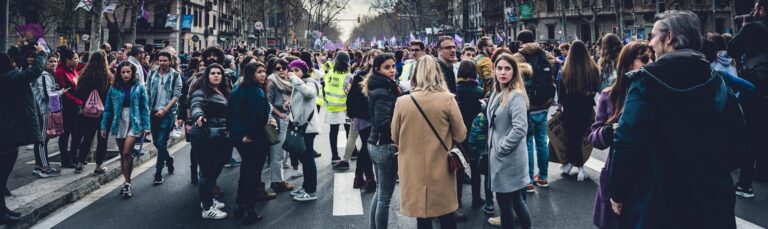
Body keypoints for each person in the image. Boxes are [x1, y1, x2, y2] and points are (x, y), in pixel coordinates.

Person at [608, 10, 748, 228]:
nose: (651, 43)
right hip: (712, 201)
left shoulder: (645, 82)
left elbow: (627, 142)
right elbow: (738, 144)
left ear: (669, 37)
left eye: (653, 36)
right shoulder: (717, 81)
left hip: (659, 201)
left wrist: (617, 189)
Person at [391, 55, 467, 229]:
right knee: (446, 214)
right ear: (438, 74)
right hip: (441, 164)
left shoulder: (402, 102)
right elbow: (461, 134)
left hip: (412, 166)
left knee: (422, 216)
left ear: (415, 75)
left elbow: (395, 136)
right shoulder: (447, 99)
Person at [588, 41, 653, 229]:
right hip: (617, 173)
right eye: (644, 59)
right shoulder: (609, 96)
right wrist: (609, 131)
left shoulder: (656, 92)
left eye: (652, 57)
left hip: (648, 175)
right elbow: (594, 136)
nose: (650, 62)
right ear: (628, 63)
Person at [0, 44, 46, 225]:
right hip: (6, 134)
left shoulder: (7, 78)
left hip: (6, 132)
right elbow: (33, 72)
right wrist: (42, 53)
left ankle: (3, 209)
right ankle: (2, 212)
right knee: (2, 174)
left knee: (2, 176)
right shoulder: (8, 78)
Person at [486, 53, 532, 229]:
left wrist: (502, 148)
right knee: (511, 201)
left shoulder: (515, 95)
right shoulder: (498, 91)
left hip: (509, 158)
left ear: (514, 71)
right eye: (499, 68)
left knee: (510, 202)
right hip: (500, 157)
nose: (503, 72)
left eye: (507, 68)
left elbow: (520, 127)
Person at [728, 0, 768, 197]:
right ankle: (762, 170)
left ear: (761, 9)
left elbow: (731, 49)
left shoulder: (752, 28)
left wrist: (744, 28)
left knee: (750, 133)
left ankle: (745, 183)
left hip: (756, 90)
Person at [513, 31, 557, 191]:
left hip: (528, 105)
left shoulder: (518, 57)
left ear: (520, 42)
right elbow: (554, 65)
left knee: (527, 143)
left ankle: (529, 180)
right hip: (544, 105)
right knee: (542, 141)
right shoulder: (545, 54)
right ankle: (544, 178)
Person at [228, 61, 271, 224]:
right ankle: (249, 210)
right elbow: (258, 116)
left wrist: (233, 132)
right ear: (251, 74)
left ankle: (240, 205)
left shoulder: (238, 88)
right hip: (254, 138)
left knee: (246, 171)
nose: (263, 75)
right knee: (253, 175)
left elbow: (230, 112)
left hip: (238, 136)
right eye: (259, 72)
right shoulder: (256, 91)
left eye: (264, 71)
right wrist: (250, 135)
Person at [100, 62, 150, 199]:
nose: (126, 74)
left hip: (135, 121)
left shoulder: (139, 87)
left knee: (127, 152)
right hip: (119, 121)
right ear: (119, 73)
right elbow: (108, 109)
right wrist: (104, 126)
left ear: (133, 73)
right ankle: (126, 180)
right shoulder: (113, 88)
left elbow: (144, 108)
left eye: (128, 72)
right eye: (123, 72)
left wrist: (147, 126)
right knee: (123, 154)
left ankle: (127, 182)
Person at [189, 63, 232, 219]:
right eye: (212, 73)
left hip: (221, 136)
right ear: (207, 76)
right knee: (207, 172)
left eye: (219, 73)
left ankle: (208, 199)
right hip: (204, 135)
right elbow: (196, 105)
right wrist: (198, 116)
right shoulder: (201, 92)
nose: (216, 75)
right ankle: (207, 208)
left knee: (215, 169)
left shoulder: (224, 91)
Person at [364, 53, 401, 229]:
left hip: (375, 143)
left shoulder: (380, 86)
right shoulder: (384, 91)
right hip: (384, 145)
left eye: (393, 66)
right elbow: (383, 122)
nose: (392, 70)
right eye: (387, 67)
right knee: (385, 198)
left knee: (380, 194)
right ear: (377, 69)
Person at [557, 41, 601, 181]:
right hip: (586, 106)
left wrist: (561, 105)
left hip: (570, 108)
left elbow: (561, 93)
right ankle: (579, 168)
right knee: (582, 138)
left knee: (571, 137)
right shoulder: (593, 69)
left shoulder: (565, 70)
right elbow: (595, 87)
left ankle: (573, 165)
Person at [286, 59, 321, 202]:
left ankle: (311, 190)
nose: (294, 73)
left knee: (307, 159)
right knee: (304, 158)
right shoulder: (300, 82)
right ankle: (306, 186)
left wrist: (294, 78)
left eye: (297, 70)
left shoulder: (309, 82)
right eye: (292, 70)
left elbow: (308, 94)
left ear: (303, 71)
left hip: (307, 128)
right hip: (301, 126)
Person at [146, 51, 183, 184]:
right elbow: (148, 91)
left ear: (170, 61)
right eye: (160, 60)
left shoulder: (175, 75)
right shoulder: (152, 73)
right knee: (156, 143)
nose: (162, 63)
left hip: (167, 114)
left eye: (165, 60)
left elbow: (176, 94)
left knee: (162, 143)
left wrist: (165, 109)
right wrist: (148, 109)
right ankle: (168, 159)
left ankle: (158, 173)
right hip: (153, 113)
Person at [73, 51, 112, 175]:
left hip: (87, 112)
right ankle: (98, 166)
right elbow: (109, 96)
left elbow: (78, 92)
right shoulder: (107, 77)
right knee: (102, 140)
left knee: (87, 138)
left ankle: (79, 164)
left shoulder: (84, 75)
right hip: (103, 113)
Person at [268, 58, 304, 182]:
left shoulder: (289, 81)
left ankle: (280, 179)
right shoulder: (271, 82)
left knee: (286, 151)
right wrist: (280, 114)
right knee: (278, 153)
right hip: (278, 120)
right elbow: (268, 103)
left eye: (283, 68)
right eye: (278, 68)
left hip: (289, 118)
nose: (281, 71)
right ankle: (277, 181)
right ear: (274, 70)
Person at [346, 51, 377, 192]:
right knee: (366, 145)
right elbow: (351, 96)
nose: (375, 59)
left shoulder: (383, 75)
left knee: (367, 146)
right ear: (368, 60)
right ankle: (369, 177)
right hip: (362, 116)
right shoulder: (360, 75)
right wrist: (351, 114)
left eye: (377, 57)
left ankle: (359, 176)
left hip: (376, 116)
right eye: (373, 56)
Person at [31, 54, 62, 178]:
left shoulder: (46, 75)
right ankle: (45, 167)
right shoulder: (44, 76)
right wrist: (61, 92)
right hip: (43, 111)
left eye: (55, 61)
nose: (53, 64)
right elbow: (46, 95)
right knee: (42, 140)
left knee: (41, 139)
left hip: (41, 110)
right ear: (45, 62)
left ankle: (39, 166)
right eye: (50, 61)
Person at [53, 46, 81, 168]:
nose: (77, 61)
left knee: (77, 133)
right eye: (75, 58)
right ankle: (65, 159)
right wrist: (77, 101)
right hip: (66, 108)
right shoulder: (60, 72)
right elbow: (64, 92)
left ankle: (74, 156)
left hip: (76, 107)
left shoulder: (74, 70)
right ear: (67, 60)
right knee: (65, 135)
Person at [323, 52, 351, 164]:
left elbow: (326, 86)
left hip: (331, 106)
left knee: (333, 132)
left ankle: (334, 155)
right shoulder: (348, 75)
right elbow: (349, 91)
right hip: (345, 107)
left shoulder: (329, 72)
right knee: (349, 130)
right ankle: (352, 151)